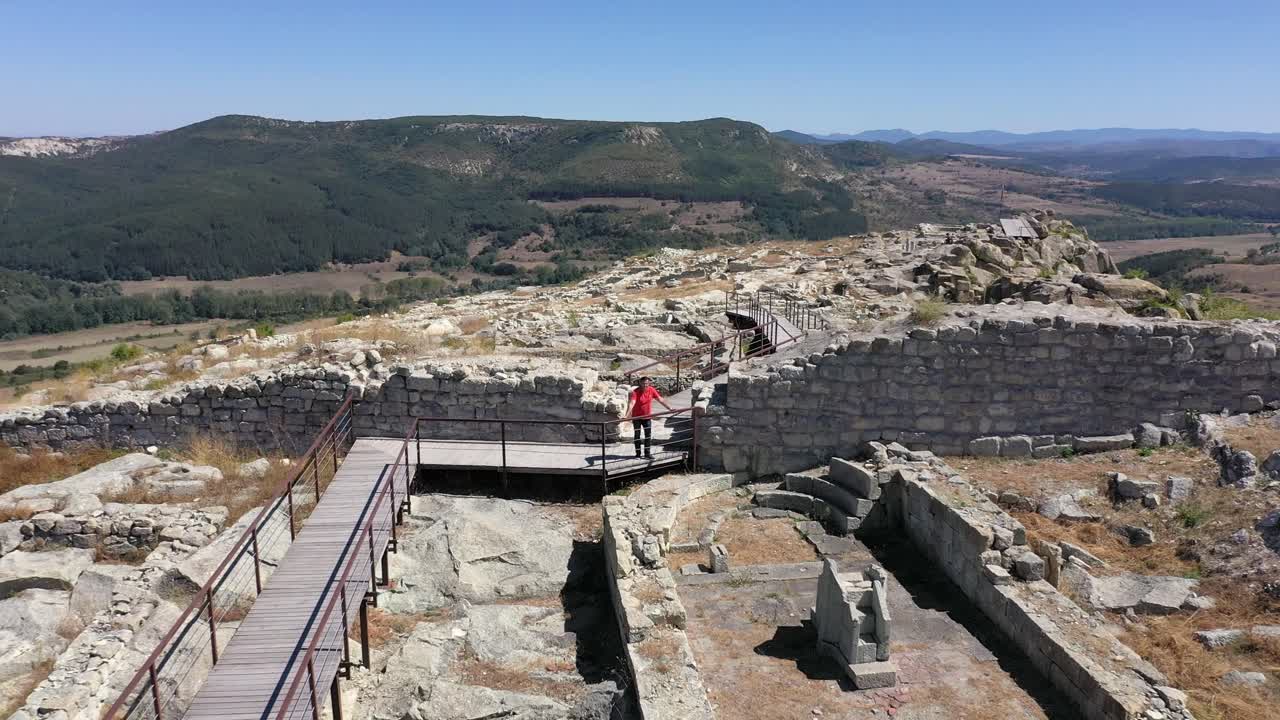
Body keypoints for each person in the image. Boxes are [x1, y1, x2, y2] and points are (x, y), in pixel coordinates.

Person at [625, 376, 671, 458]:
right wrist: (627, 415)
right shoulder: (635, 392)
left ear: (649, 383)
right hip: (636, 418)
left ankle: (647, 454)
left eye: (647, 383)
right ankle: (638, 454)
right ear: (640, 383)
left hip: (647, 417)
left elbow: (660, 399)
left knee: (648, 435)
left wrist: (669, 408)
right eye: (643, 383)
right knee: (637, 435)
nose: (645, 385)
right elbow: (632, 403)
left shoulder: (651, 390)